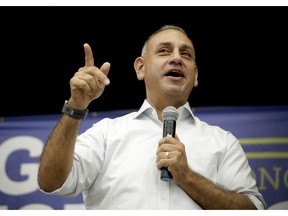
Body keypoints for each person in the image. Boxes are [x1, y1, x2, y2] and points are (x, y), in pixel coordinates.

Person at [37, 24, 266, 210]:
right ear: (140, 68)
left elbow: (254, 210)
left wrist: (187, 177)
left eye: (185, 54)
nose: (176, 58)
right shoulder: (106, 134)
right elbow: (50, 182)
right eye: (164, 51)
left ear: (195, 75)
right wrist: (75, 106)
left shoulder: (223, 142)